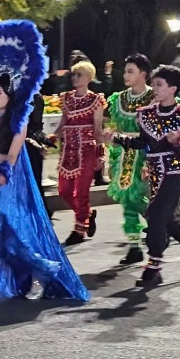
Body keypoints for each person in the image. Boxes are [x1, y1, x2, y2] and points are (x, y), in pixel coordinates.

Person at [0, 20, 88, 307]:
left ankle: (38, 277)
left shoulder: (18, 120)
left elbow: (12, 152)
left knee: (19, 235)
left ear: (10, 95)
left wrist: (4, 171)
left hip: (12, 179)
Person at [106, 66, 180, 288]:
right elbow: (143, 143)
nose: (154, 89)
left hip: (175, 173)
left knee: (155, 216)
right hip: (154, 172)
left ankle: (154, 267)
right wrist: (116, 138)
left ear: (172, 89)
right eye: (153, 84)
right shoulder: (147, 114)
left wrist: (178, 143)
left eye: (159, 85)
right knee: (165, 218)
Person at [104, 54, 154, 266]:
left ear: (143, 74)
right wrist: (110, 139)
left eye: (131, 71)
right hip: (123, 157)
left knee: (138, 197)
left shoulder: (154, 98)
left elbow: (155, 133)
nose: (126, 75)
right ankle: (134, 246)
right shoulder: (119, 99)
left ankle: (161, 224)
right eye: (125, 71)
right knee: (127, 200)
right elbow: (114, 126)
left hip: (145, 157)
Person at [57, 60, 105, 245]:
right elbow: (63, 123)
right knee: (64, 190)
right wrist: (52, 138)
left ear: (89, 78)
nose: (75, 78)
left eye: (79, 75)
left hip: (86, 149)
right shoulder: (66, 98)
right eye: (74, 75)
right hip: (68, 149)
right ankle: (87, 214)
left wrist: (100, 154)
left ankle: (79, 230)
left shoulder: (96, 100)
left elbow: (98, 129)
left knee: (81, 192)